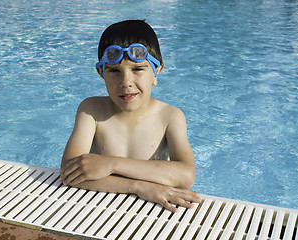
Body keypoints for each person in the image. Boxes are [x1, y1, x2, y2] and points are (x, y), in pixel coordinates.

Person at [60, 20, 201, 212]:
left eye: (137, 69)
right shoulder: (91, 110)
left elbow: (186, 176)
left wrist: (111, 164)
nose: (126, 82)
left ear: (157, 70)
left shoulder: (170, 117)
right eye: (114, 71)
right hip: (100, 207)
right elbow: (69, 173)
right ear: (101, 72)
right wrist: (138, 187)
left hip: (154, 210)